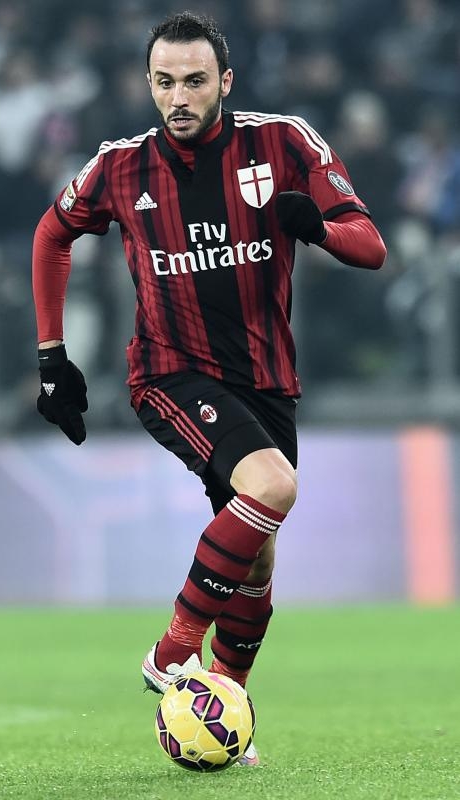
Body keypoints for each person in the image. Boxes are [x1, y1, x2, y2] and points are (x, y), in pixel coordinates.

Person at [32, 11, 387, 765]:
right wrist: (52, 356)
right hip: (169, 371)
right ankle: (172, 653)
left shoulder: (285, 142)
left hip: (266, 379)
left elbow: (370, 246)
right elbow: (51, 234)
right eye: (164, 82)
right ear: (148, 83)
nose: (178, 97)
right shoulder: (119, 167)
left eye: (194, 81)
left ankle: (224, 703)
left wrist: (319, 229)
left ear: (225, 80)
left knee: (257, 559)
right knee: (273, 487)